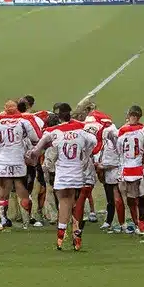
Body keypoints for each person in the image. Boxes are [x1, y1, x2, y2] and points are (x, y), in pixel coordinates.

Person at [27, 103, 97, 251]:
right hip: (77, 174)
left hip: (62, 175)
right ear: (69, 114)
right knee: (76, 205)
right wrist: (85, 156)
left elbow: (38, 147)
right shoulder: (81, 131)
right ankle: (76, 237)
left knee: (63, 204)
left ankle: (60, 237)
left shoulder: (55, 132)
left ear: (58, 117)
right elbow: (94, 141)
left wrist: (33, 154)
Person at [0, 100, 39, 230]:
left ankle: (3, 219)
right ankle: (26, 221)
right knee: (21, 188)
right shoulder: (24, 121)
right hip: (18, 160)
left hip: (3, 161)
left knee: (2, 191)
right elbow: (35, 139)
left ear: (5, 109)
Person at [116, 105, 144, 236]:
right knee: (140, 197)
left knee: (131, 197)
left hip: (126, 169)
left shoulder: (122, 131)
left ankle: (137, 223)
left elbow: (119, 151)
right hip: (138, 168)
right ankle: (141, 224)